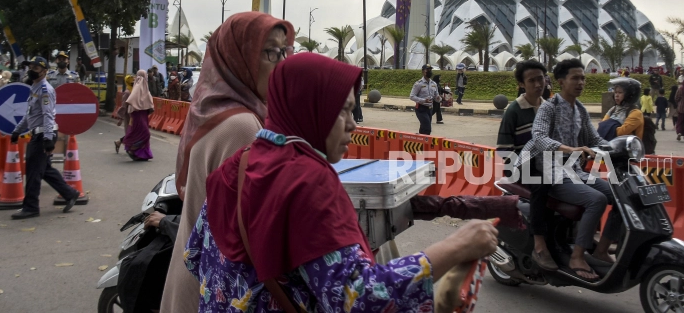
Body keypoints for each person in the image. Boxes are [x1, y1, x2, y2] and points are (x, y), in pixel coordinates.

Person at [183, 53, 499, 313]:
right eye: (342, 111)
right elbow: (361, 298)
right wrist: (456, 246)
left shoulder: (236, 165)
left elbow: (194, 256)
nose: (352, 124)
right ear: (311, 109)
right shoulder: (308, 181)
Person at [161, 12, 295, 313]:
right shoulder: (243, 126)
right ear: (239, 59)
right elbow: (257, 229)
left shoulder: (214, 110)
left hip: (198, 275)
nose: (281, 63)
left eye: (284, 51)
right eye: (270, 52)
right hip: (215, 289)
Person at [516, 59, 620, 280]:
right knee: (597, 200)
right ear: (561, 82)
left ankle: (601, 250)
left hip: (574, 170)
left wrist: (621, 149)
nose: (581, 82)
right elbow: (539, 137)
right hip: (550, 172)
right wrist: (571, 149)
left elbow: (595, 139)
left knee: (622, 196)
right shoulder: (549, 107)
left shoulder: (580, 109)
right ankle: (577, 257)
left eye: (583, 78)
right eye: (575, 78)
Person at [496, 60, 556, 270]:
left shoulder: (549, 108)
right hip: (520, 166)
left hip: (545, 163)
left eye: (541, 79)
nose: (538, 84)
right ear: (522, 84)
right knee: (542, 182)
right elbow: (504, 149)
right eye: (532, 80)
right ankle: (539, 245)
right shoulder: (513, 111)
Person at [8, 56, 80, 219]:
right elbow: (30, 114)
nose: (31, 71)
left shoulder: (45, 90)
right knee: (45, 170)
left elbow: (48, 115)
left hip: (43, 135)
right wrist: (17, 131)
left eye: (35, 68)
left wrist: (48, 139)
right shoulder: (35, 87)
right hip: (39, 133)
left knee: (33, 172)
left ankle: (31, 207)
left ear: (44, 71)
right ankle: (70, 194)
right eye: (30, 67)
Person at [115, 70, 154, 161]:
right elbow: (127, 103)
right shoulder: (135, 89)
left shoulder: (144, 88)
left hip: (143, 115)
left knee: (139, 134)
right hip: (137, 115)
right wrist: (121, 117)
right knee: (145, 134)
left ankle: (141, 154)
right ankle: (131, 148)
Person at [410, 64, 440, 135]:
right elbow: (412, 96)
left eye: (430, 70)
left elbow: (436, 96)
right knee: (427, 128)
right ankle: (425, 140)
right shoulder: (418, 84)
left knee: (424, 128)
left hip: (430, 109)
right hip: (421, 109)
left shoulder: (434, 84)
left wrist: (439, 98)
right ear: (423, 71)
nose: (429, 71)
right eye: (427, 70)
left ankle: (420, 139)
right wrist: (423, 100)